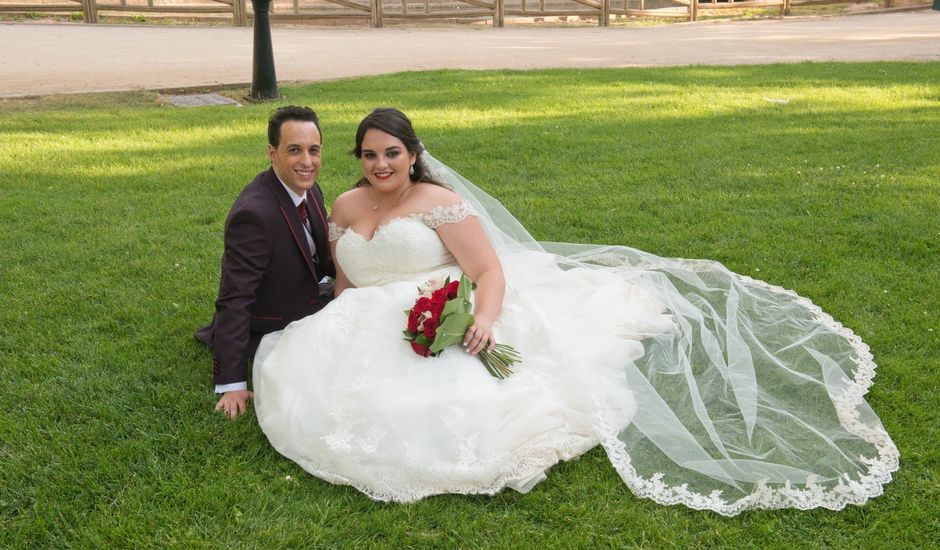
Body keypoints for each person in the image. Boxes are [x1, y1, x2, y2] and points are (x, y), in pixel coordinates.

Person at [251, 108, 898, 514]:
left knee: (469, 407)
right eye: (369, 154)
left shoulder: (437, 202)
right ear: (358, 160)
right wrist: (332, 325)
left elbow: (487, 271)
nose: (381, 164)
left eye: (392, 153)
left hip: (446, 306)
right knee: (319, 388)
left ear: (412, 154)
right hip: (366, 318)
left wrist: (483, 319)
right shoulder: (343, 206)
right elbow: (343, 280)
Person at [196, 105, 335, 418]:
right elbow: (235, 298)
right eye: (294, 150)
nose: (307, 161)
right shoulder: (254, 215)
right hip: (273, 325)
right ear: (272, 153)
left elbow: (319, 257)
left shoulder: (309, 189)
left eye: (314, 150)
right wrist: (231, 383)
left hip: (311, 298)